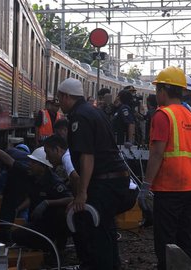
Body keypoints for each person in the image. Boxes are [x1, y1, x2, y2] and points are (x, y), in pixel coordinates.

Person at [57, 78, 130, 270]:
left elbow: (87, 156)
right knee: (106, 230)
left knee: (97, 233)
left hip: (105, 181)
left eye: (59, 99)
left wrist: (82, 194)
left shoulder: (80, 116)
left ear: (65, 96)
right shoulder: (93, 111)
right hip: (115, 179)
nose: (59, 104)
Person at [139, 66, 191, 270]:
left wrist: (145, 185)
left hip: (168, 189)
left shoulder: (162, 115)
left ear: (163, 90)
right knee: (186, 238)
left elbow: (157, 154)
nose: (156, 94)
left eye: (157, 89)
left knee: (166, 242)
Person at [0, 133, 73, 257]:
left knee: (60, 217)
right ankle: (46, 245)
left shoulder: (54, 182)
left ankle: (56, 247)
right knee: (17, 235)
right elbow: (9, 161)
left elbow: (71, 198)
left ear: (42, 166)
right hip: (39, 223)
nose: (29, 164)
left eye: (33, 162)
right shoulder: (31, 175)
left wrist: (48, 203)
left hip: (53, 224)